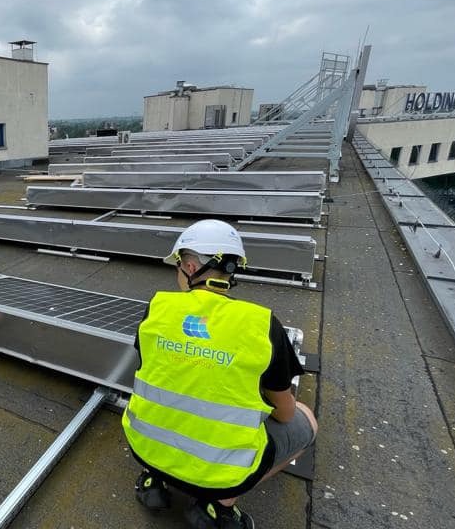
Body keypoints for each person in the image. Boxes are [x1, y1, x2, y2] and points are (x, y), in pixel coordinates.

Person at [121, 219, 318, 529]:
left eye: (177, 267)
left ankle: (153, 481)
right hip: (220, 473)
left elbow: (155, 371)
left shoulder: (156, 308)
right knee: (306, 420)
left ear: (189, 266)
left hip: (144, 447)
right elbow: (284, 412)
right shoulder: (261, 324)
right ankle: (218, 505)